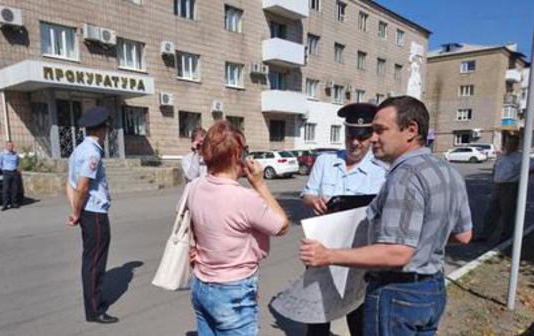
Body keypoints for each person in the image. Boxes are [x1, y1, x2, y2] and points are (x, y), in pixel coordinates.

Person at [299, 96, 473, 335]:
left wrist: (328, 255)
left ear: (411, 130)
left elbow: (397, 252)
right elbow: (463, 235)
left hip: (398, 293)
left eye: (379, 130)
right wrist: (417, 243)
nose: (372, 138)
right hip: (431, 290)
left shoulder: (403, 176)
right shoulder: (448, 171)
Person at [271, 103, 387, 336]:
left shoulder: (382, 171)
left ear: (371, 136)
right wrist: (313, 200)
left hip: (358, 251)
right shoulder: (325, 162)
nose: (355, 143)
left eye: (362, 137)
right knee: (318, 310)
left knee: (357, 312)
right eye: (351, 136)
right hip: (321, 247)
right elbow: (308, 193)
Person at [187, 121, 290, 335]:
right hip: (232, 289)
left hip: (200, 283)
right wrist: (260, 184)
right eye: (245, 151)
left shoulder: (194, 186)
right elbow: (282, 226)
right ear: (236, 154)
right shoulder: (245, 198)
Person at [66, 106, 118, 324]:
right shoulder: (92, 152)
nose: (107, 134)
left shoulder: (78, 150)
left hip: (87, 212)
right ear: (103, 129)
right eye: (107, 129)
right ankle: (95, 310)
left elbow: (68, 184)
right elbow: (83, 185)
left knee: (91, 260)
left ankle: (94, 301)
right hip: (95, 213)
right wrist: (77, 211)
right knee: (94, 262)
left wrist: (75, 211)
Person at [477, 134, 533, 242]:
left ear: (516, 144)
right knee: (491, 211)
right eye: (507, 142)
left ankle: (506, 236)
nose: (508, 145)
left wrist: (521, 176)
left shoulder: (520, 157)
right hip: (498, 186)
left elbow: (531, 167)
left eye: (511, 143)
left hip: (510, 186)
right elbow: (495, 168)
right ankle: (485, 234)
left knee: (507, 213)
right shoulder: (502, 156)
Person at [0, 141, 20, 211]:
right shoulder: (2, 154)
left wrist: (15, 169)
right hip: (6, 173)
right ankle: (5, 204)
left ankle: (14, 203)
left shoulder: (15, 154)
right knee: (6, 189)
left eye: (12, 146)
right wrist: (4, 170)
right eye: (9, 146)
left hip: (14, 172)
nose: (11, 147)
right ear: (6, 146)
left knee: (14, 189)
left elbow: (17, 162)